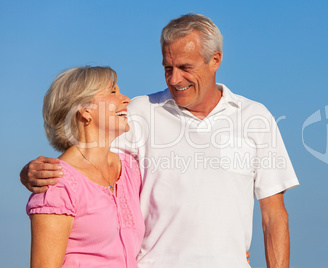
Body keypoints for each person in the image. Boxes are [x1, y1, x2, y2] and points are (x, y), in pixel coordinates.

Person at [21, 14, 299, 267]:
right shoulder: (140, 112)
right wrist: (29, 173)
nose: (175, 79)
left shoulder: (256, 118)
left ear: (215, 60)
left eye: (185, 67)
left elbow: (274, 216)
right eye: (168, 68)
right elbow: (85, 158)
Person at [26, 66, 144, 267]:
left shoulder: (131, 170)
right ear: (85, 111)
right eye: (113, 91)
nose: (126, 99)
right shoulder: (56, 183)